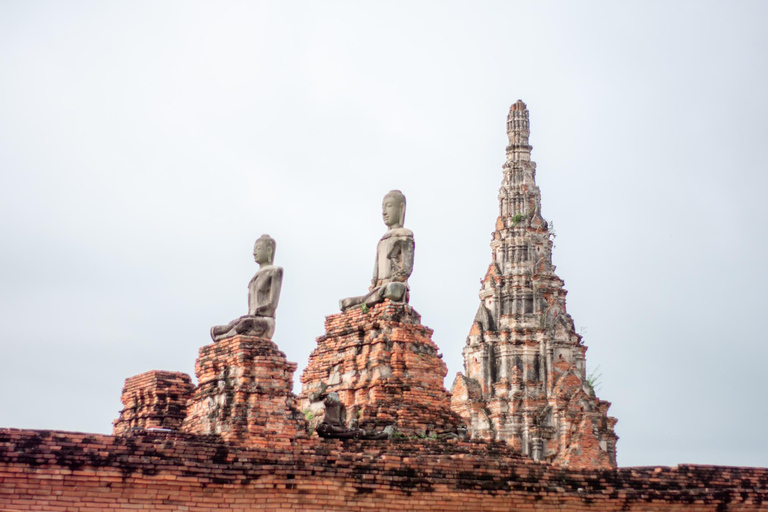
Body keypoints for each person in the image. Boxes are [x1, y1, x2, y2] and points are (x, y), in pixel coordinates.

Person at [340, 190, 415, 311]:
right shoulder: (382, 241)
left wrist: (393, 279)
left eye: (389, 206)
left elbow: (406, 270)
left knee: (390, 290)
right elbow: (375, 272)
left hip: (395, 287)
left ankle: (366, 302)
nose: (384, 212)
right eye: (383, 207)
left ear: (401, 208)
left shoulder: (404, 236)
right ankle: (365, 301)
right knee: (345, 302)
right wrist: (375, 284)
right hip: (378, 288)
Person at [210, 234, 283, 341]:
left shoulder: (275, 271)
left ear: (269, 250)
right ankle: (225, 334)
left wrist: (256, 312)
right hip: (251, 318)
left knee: (245, 324)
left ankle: (225, 337)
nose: (254, 253)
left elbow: (272, 304)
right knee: (226, 325)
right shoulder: (255, 276)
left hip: (265, 321)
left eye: (258, 249)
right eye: (254, 249)